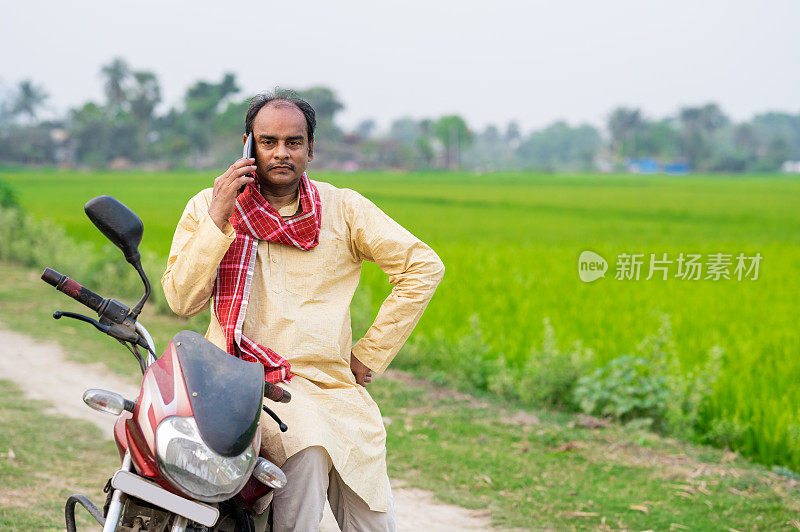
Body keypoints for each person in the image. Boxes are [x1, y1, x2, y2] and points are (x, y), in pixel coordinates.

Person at [161, 91, 445, 531]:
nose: (280, 153)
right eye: (268, 141)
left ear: (311, 150)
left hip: (334, 387)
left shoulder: (343, 208)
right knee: (307, 450)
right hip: (245, 386)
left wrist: (371, 352)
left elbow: (423, 266)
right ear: (247, 146)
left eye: (293, 142)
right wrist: (219, 217)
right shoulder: (209, 206)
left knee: (373, 517)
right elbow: (182, 301)